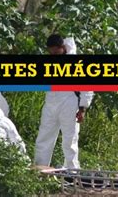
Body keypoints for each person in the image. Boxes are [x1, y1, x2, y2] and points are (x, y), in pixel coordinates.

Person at [34, 34, 94, 169]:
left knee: (69, 140)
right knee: (43, 138)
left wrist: (83, 108)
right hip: (50, 104)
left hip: (70, 103)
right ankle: (40, 170)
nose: (53, 56)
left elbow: (87, 87)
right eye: (51, 53)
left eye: (56, 52)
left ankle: (72, 172)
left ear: (63, 47)